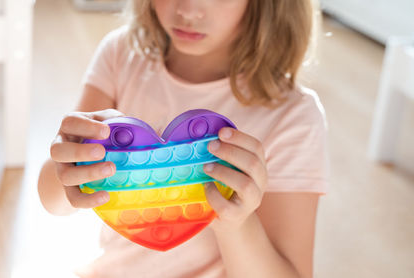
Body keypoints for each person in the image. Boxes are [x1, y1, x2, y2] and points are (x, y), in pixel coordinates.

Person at [38, 0, 328, 277]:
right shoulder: (121, 54)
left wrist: (237, 223)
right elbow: (52, 199)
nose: (188, 10)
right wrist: (68, 167)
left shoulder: (293, 116)